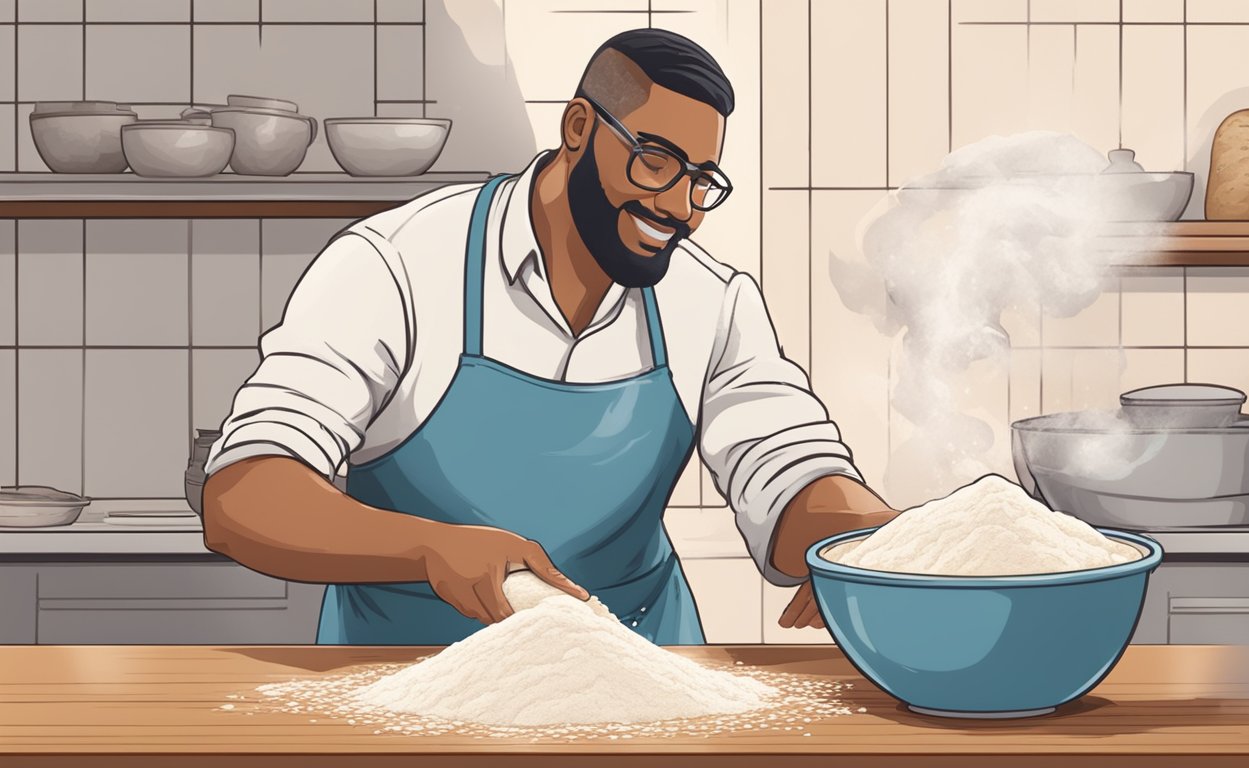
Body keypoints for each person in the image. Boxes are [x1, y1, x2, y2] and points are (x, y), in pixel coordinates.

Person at [202, 28, 898, 645]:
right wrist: (428, 549)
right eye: (656, 160)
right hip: (399, 685)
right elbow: (245, 494)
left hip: (640, 685)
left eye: (701, 180)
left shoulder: (711, 301)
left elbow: (790, 471)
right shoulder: (395, 265)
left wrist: (873, 543)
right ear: (577, 127)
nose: (680, 207)